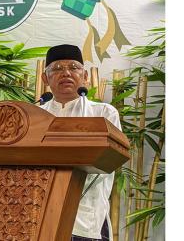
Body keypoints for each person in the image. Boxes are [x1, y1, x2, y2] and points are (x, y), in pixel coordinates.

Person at [39, 44, 122, 241]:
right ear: (45, 79)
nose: (66, 73)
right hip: (40, 215)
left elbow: (110, 161)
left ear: (84, 76)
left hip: (86, 215)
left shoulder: (103, 113)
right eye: (57, 69)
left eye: (74, 68)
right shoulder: (35, 116)